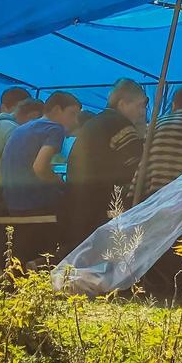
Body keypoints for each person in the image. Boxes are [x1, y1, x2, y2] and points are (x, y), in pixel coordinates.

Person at [62, 79, 146, 247]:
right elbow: (137, 169)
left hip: (76, 205)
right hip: (102, 209)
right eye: (139, 105)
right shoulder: (121, 125)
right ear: (122, 104)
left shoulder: (94, 122)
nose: (142, 112)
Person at [0, 91, 82, 217]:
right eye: (72, 114)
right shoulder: (54, 129)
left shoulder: (22, 128)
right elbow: (40, 167)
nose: (76, 121)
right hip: (35, 205)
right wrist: (60, 182)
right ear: (56, 110)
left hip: (12, 204)